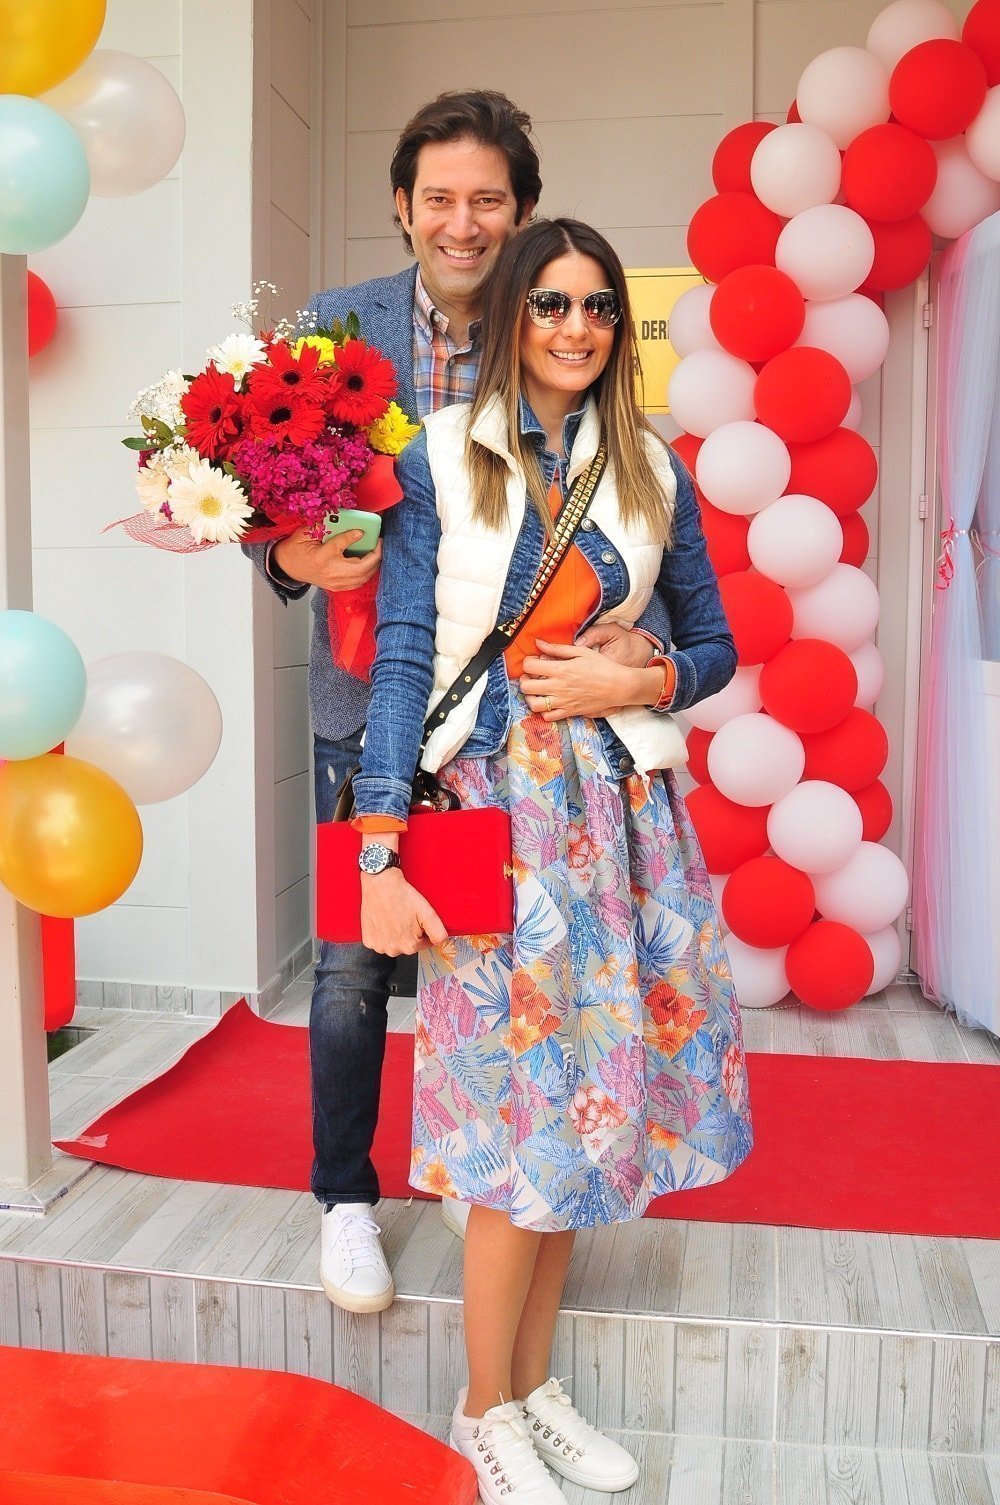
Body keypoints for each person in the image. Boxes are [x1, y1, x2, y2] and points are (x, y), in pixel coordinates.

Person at [246, 93, 666, 1313]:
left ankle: (476, 1170)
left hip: (514, 725)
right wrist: (285, 556)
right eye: (439, 198)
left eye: (488, 199)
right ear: (402, 206)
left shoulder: (553, 328)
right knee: (350, 966)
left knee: (500, 964)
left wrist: (640, 642)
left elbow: (616, 516)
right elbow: (270, 498)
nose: (463, 222)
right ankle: (343, 1196)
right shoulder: (339, 325)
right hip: (368, 704)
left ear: (522, 211)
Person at [355, 219, 753, 1504]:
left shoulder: (651, 465)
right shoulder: (438, 458)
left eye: (596, 307)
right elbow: (404, 651)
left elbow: (715, 643)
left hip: (617, 821)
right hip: (493, 815)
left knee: (584, 1107)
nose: (575, 327)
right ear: (512, 313)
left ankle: (530, 1388)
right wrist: (377, 844)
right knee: (506, 1125)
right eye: (550, 304)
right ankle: (483, 1405)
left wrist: (641, 672)